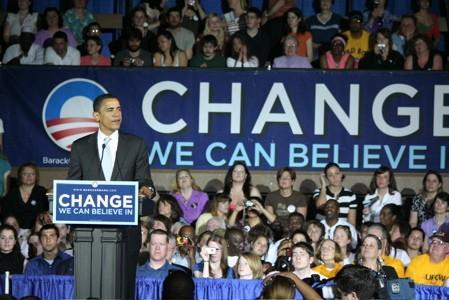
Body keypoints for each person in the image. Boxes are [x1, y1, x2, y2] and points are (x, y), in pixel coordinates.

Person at [67, 93, 155, 299]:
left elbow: (145, 180)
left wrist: (146, 190)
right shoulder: (80, 147)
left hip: (125, 232)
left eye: (119, 109)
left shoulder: (136, 144)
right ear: (96, 116)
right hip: (88, 233)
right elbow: (72, 186)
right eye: (110, 110)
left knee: (123, 289)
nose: (117, 114)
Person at [1, 162, 49, 230]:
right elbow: (6, 215)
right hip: (15, 231)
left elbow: (47, 212)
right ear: (20, 176)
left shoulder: (42, 192)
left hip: (36, 232)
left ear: (36, 176)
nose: (29, 176)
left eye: (32, 174)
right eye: (25, 174)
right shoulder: (11, 193)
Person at [265, 167, 308, 233]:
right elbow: (270, 219)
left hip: (294, 230)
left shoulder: (300, 197)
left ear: (292, 182)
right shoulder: (271, 196)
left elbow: (300, 221)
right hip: (276, 230)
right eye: (281, 177)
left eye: (287, 178)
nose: (284, 179)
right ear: (278, 181)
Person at [357, 234, 398, 299]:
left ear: (379, 252)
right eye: (364, 245)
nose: (366, 247)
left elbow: (397, 294)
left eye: (371, 245)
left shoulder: (389, 271)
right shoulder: (354, 271)